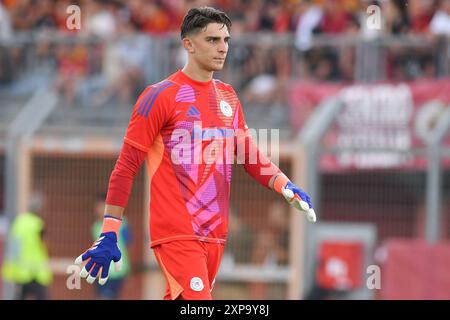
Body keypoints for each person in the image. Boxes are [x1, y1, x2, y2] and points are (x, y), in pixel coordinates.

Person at [74, 6, 316, 300]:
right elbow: (126, 166)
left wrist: (284, 184)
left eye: (226, 40)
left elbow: (249, 155)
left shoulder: (228, 96)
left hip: (215, 233)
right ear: (188, 44)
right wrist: (109, 230)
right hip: (176, 231)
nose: (222, 48)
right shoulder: (159, 96)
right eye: (212, 40)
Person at [1, 192, 53, 299]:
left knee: (20, 296)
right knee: (43, 296)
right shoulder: (37, 224)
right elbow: (45, 244)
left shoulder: (19, 222)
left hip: (20, 271)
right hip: (36, 272)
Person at [91, 193, 131, 300]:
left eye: (101, 206)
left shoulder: (122, 224)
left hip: (116, 272)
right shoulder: (95, 227)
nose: (98, 209)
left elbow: (127, 244)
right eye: (97, 206)